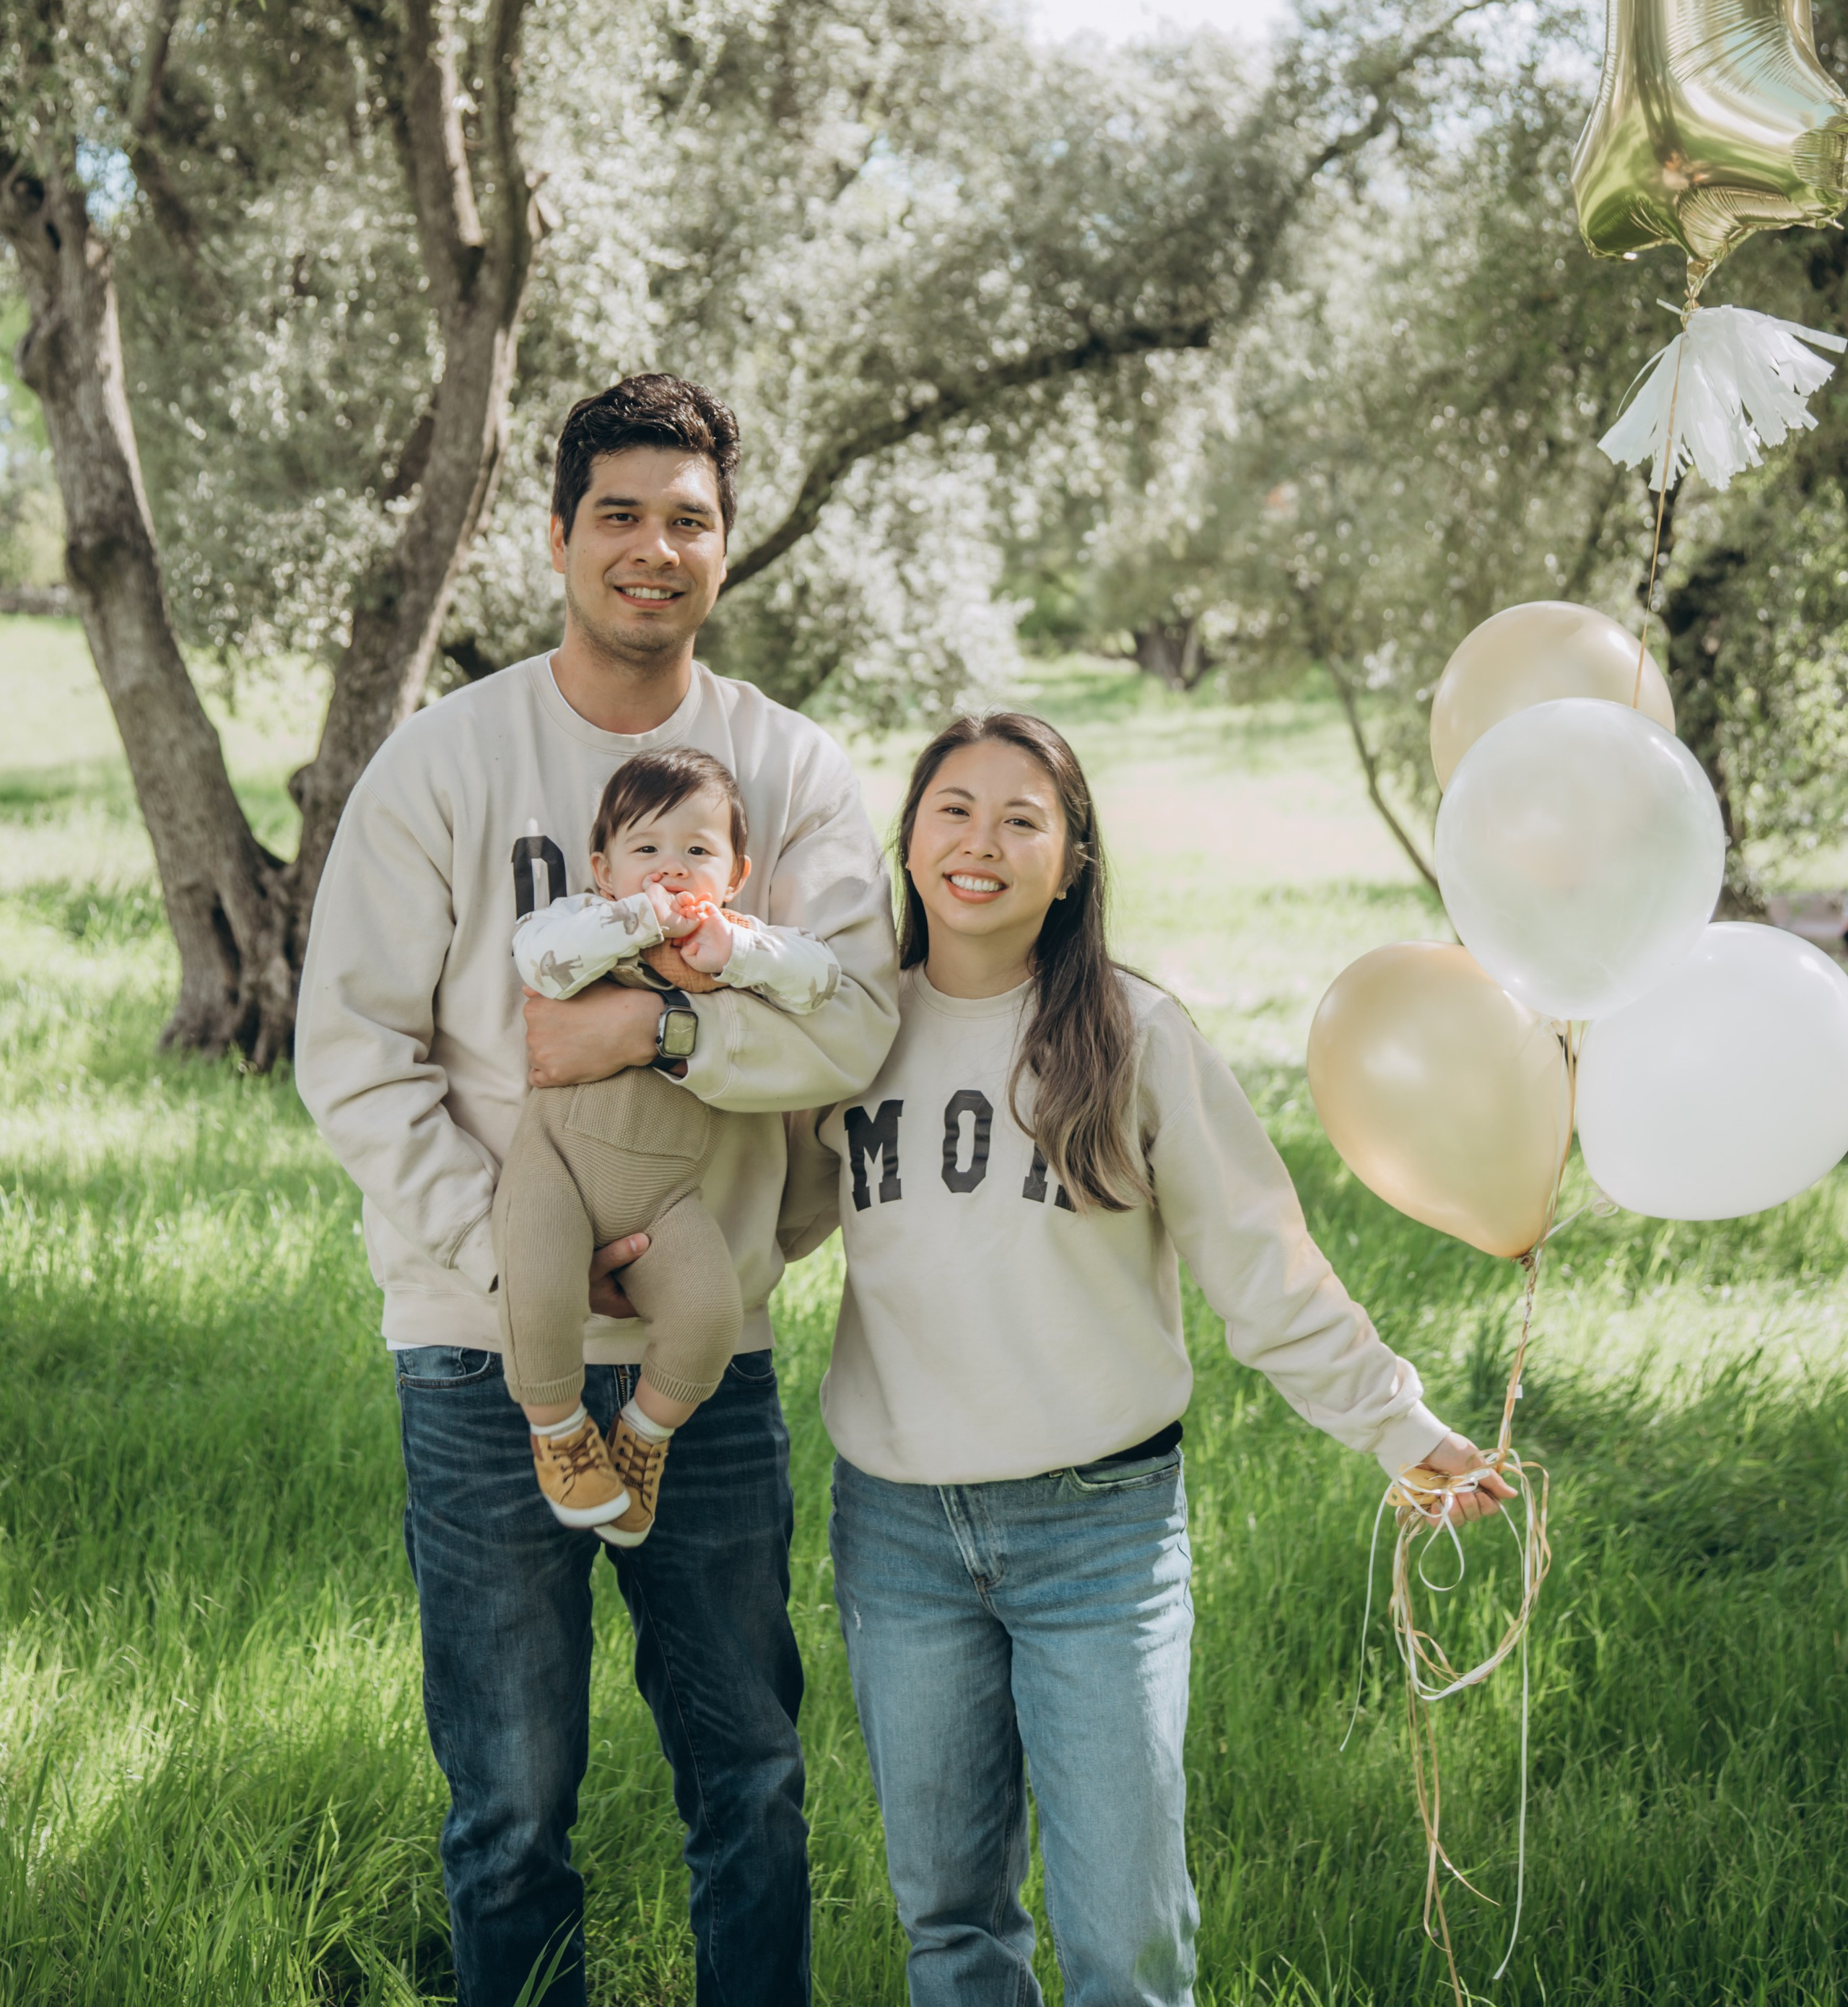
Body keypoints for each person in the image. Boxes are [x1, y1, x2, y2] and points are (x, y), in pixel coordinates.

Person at [295, 374, 899, 2007]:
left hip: (712, 1360)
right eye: (618, 514)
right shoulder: (444, 760)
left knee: (750, 1783)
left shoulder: (791, 767)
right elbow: (351, 1049)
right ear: (557, 535)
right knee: (506, 1808)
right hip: (480, 1347)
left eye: (686, 518)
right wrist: (524, 1277)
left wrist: (666, 1032)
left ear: (725, 546)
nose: (653, 547)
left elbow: (852, 1032)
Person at [778, 710, 1509, 2007]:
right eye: (953, 809)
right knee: (948, 1919)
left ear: (1072, 864)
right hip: (898, 1531)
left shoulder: (1132, 1034)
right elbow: (753, 1217)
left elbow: (1261, 1261)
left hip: (1098, 1536)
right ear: (908, 839)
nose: (982, 843)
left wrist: (1398, 1424)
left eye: (1023, 819)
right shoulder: (849, 1030)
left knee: (1124, 1938)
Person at [499, 744, 841, 1544]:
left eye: (696, 852)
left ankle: (643, 1439)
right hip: (557, 1163)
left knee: (709, 1313)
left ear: (735, 872)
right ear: (602, 866)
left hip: (667, 1193)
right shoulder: (580, 925)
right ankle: (557, 1432)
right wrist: (642, 919)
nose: (671, 870)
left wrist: (738, 950)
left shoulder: (738, 942)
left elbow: (820, 979)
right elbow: (539, 963)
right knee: (538, 1277)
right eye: (645, 851)